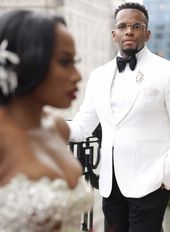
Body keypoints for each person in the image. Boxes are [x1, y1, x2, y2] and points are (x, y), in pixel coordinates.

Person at [68, 2, 170, 232]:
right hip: (110, 183)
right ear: (114, 34)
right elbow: (82, 126)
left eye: (136, 26)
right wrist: (44, 125)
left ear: (147, 33)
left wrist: (167, 175)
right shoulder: (98, 76)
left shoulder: (168, 71)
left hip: (151, 181)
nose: (129, 30)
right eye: (123, 26)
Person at [0, 10, 93, 232]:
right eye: (64, 62)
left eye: (75, 62)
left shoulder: (58, 128)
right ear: (28, 61)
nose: (78, 75)